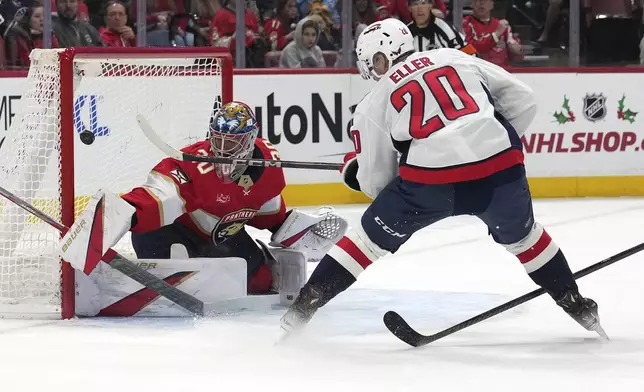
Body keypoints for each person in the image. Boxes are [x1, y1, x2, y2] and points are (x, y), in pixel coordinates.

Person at [280, 18, 605, 339]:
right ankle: (576, 304)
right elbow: (524, 99)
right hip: (501, 172)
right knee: (526, 240)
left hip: (430, 184)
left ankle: (300, 312)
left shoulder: (375, 98)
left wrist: (355, 171)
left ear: (381, 59)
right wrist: (489, 140)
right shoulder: (454, 56)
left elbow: (377, 183)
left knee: (366, 242)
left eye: (372, 64)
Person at [60, 101, 347, 296]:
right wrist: (125, 211)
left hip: (220, 235)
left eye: (232, 143)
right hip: (169, 233)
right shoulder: (195, 165)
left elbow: (268, 213)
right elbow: (158, 196)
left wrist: (295, 228)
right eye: (218, 140)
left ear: (250, 141)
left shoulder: (269, 166)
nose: (222, 150)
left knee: (261, 282)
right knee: (180, 268)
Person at [406, 0, 476, 54]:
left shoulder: (444, 28)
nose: (420, 9)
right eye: (415, 4)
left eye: (424, 3)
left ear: (431, 5)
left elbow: (468, 52)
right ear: (409, 8)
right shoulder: (406, 32)